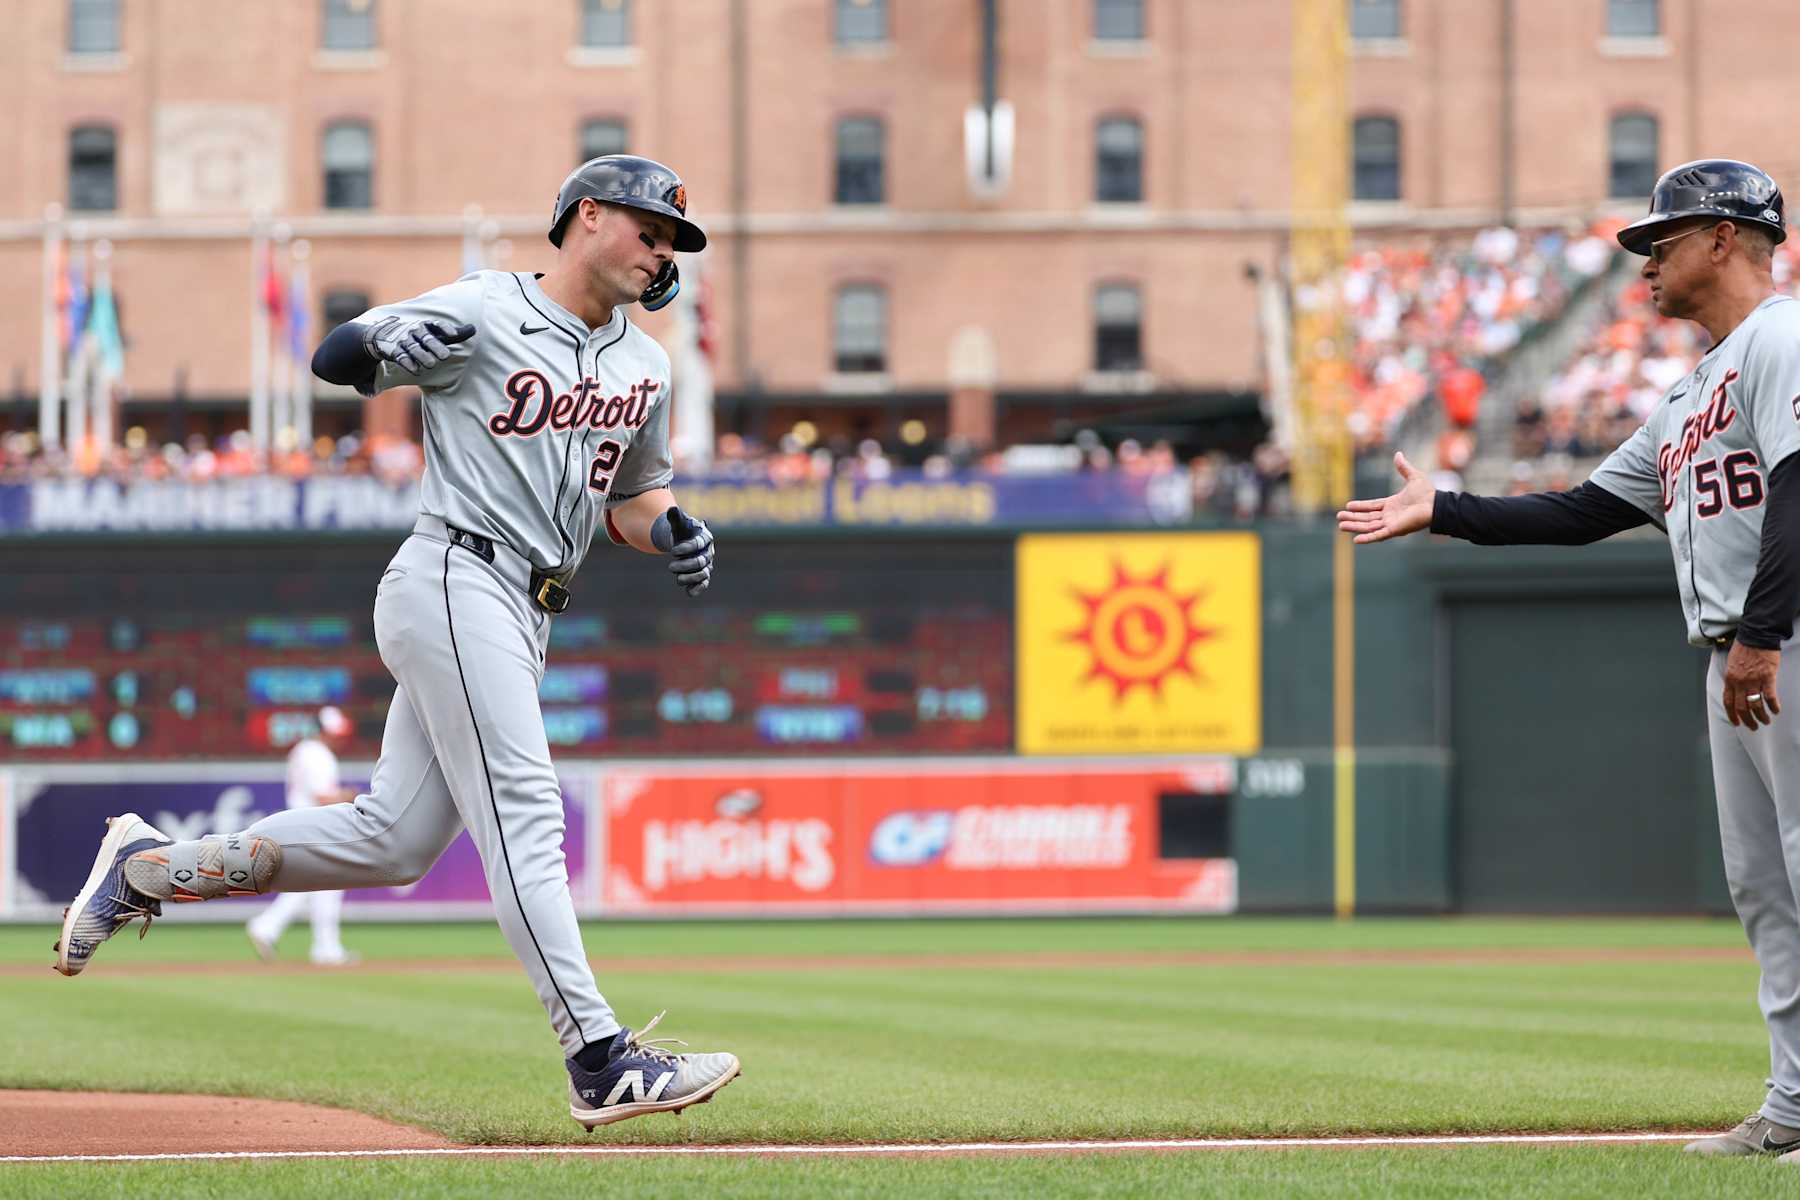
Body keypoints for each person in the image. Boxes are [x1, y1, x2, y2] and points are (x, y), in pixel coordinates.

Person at [53, 155, 735, 1132]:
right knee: (526, 811)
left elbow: (629, 494)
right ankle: (599, 1058)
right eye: (649, 228)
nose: (663, 249)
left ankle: (149, 869)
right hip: (457, 572)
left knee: (394, 840)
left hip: (529, 605)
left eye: (673, 239)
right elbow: (342, 357)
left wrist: (671, 526)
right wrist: (377, 337)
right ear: (588, 217)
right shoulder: (487, 311)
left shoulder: (647, 364)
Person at [1338, 159, 1800, 1162]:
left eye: (1660, 241)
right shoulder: (1687, 394)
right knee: (1764, 885)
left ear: (1724, 237)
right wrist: (1447, 508)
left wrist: (1763, 636)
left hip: (1783, 643)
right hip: (1740, 656)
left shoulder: (1782, 336)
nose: (1644, 263)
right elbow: (1585, 510)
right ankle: (1794, 1105)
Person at [245, 706, 359, 966]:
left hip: (305, 825)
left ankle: (272, 928)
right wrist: (350, 796)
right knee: (328, 885)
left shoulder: (305, 751)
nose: (339, 739)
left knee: (315, 886)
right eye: (335, 733)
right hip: (315, 827)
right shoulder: (317, 755)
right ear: (323, 731)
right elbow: (323, 797)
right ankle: (322, 947)